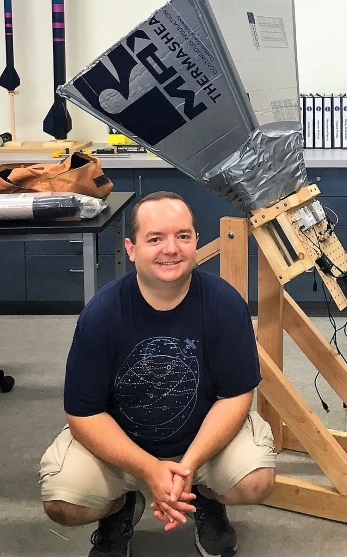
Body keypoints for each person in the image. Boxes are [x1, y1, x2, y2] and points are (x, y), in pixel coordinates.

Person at [39, 191, 276, 557]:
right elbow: (84, 414)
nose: (171, 249)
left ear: (196, 240)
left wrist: (188, 467)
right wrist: (149, 469)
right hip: (123, 445)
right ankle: (120, 508)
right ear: (131, 249)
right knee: (62, 502)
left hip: (201, 442)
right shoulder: (102, 314)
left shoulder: (225, 304)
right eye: (155, 239)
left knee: (256, 480)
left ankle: (205, 498)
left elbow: (235, 396)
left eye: (183, 236)